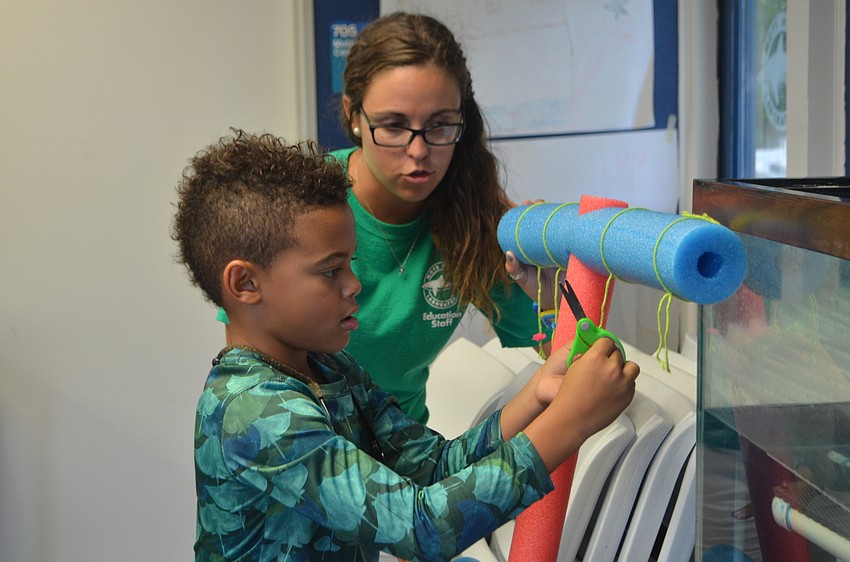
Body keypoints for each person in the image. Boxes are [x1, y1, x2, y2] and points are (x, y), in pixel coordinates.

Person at [172, 130, 639, 561]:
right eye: (331, 270)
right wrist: (568, 423)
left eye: (351, 264)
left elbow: (433, 467)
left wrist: (537, 396)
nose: (354, 285)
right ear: (244, 282)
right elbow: (422, 528)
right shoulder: (252, 412)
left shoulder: (332, 369)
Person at [328, 11, 560, 424]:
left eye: (440, 125)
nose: (420, 152)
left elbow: (554, 350)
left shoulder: (472, 214)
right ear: (353, 116)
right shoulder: (304, 202)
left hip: (405, 452)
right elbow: (248, 364)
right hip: (304, 449)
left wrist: (548, 292)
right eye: (394, 126)